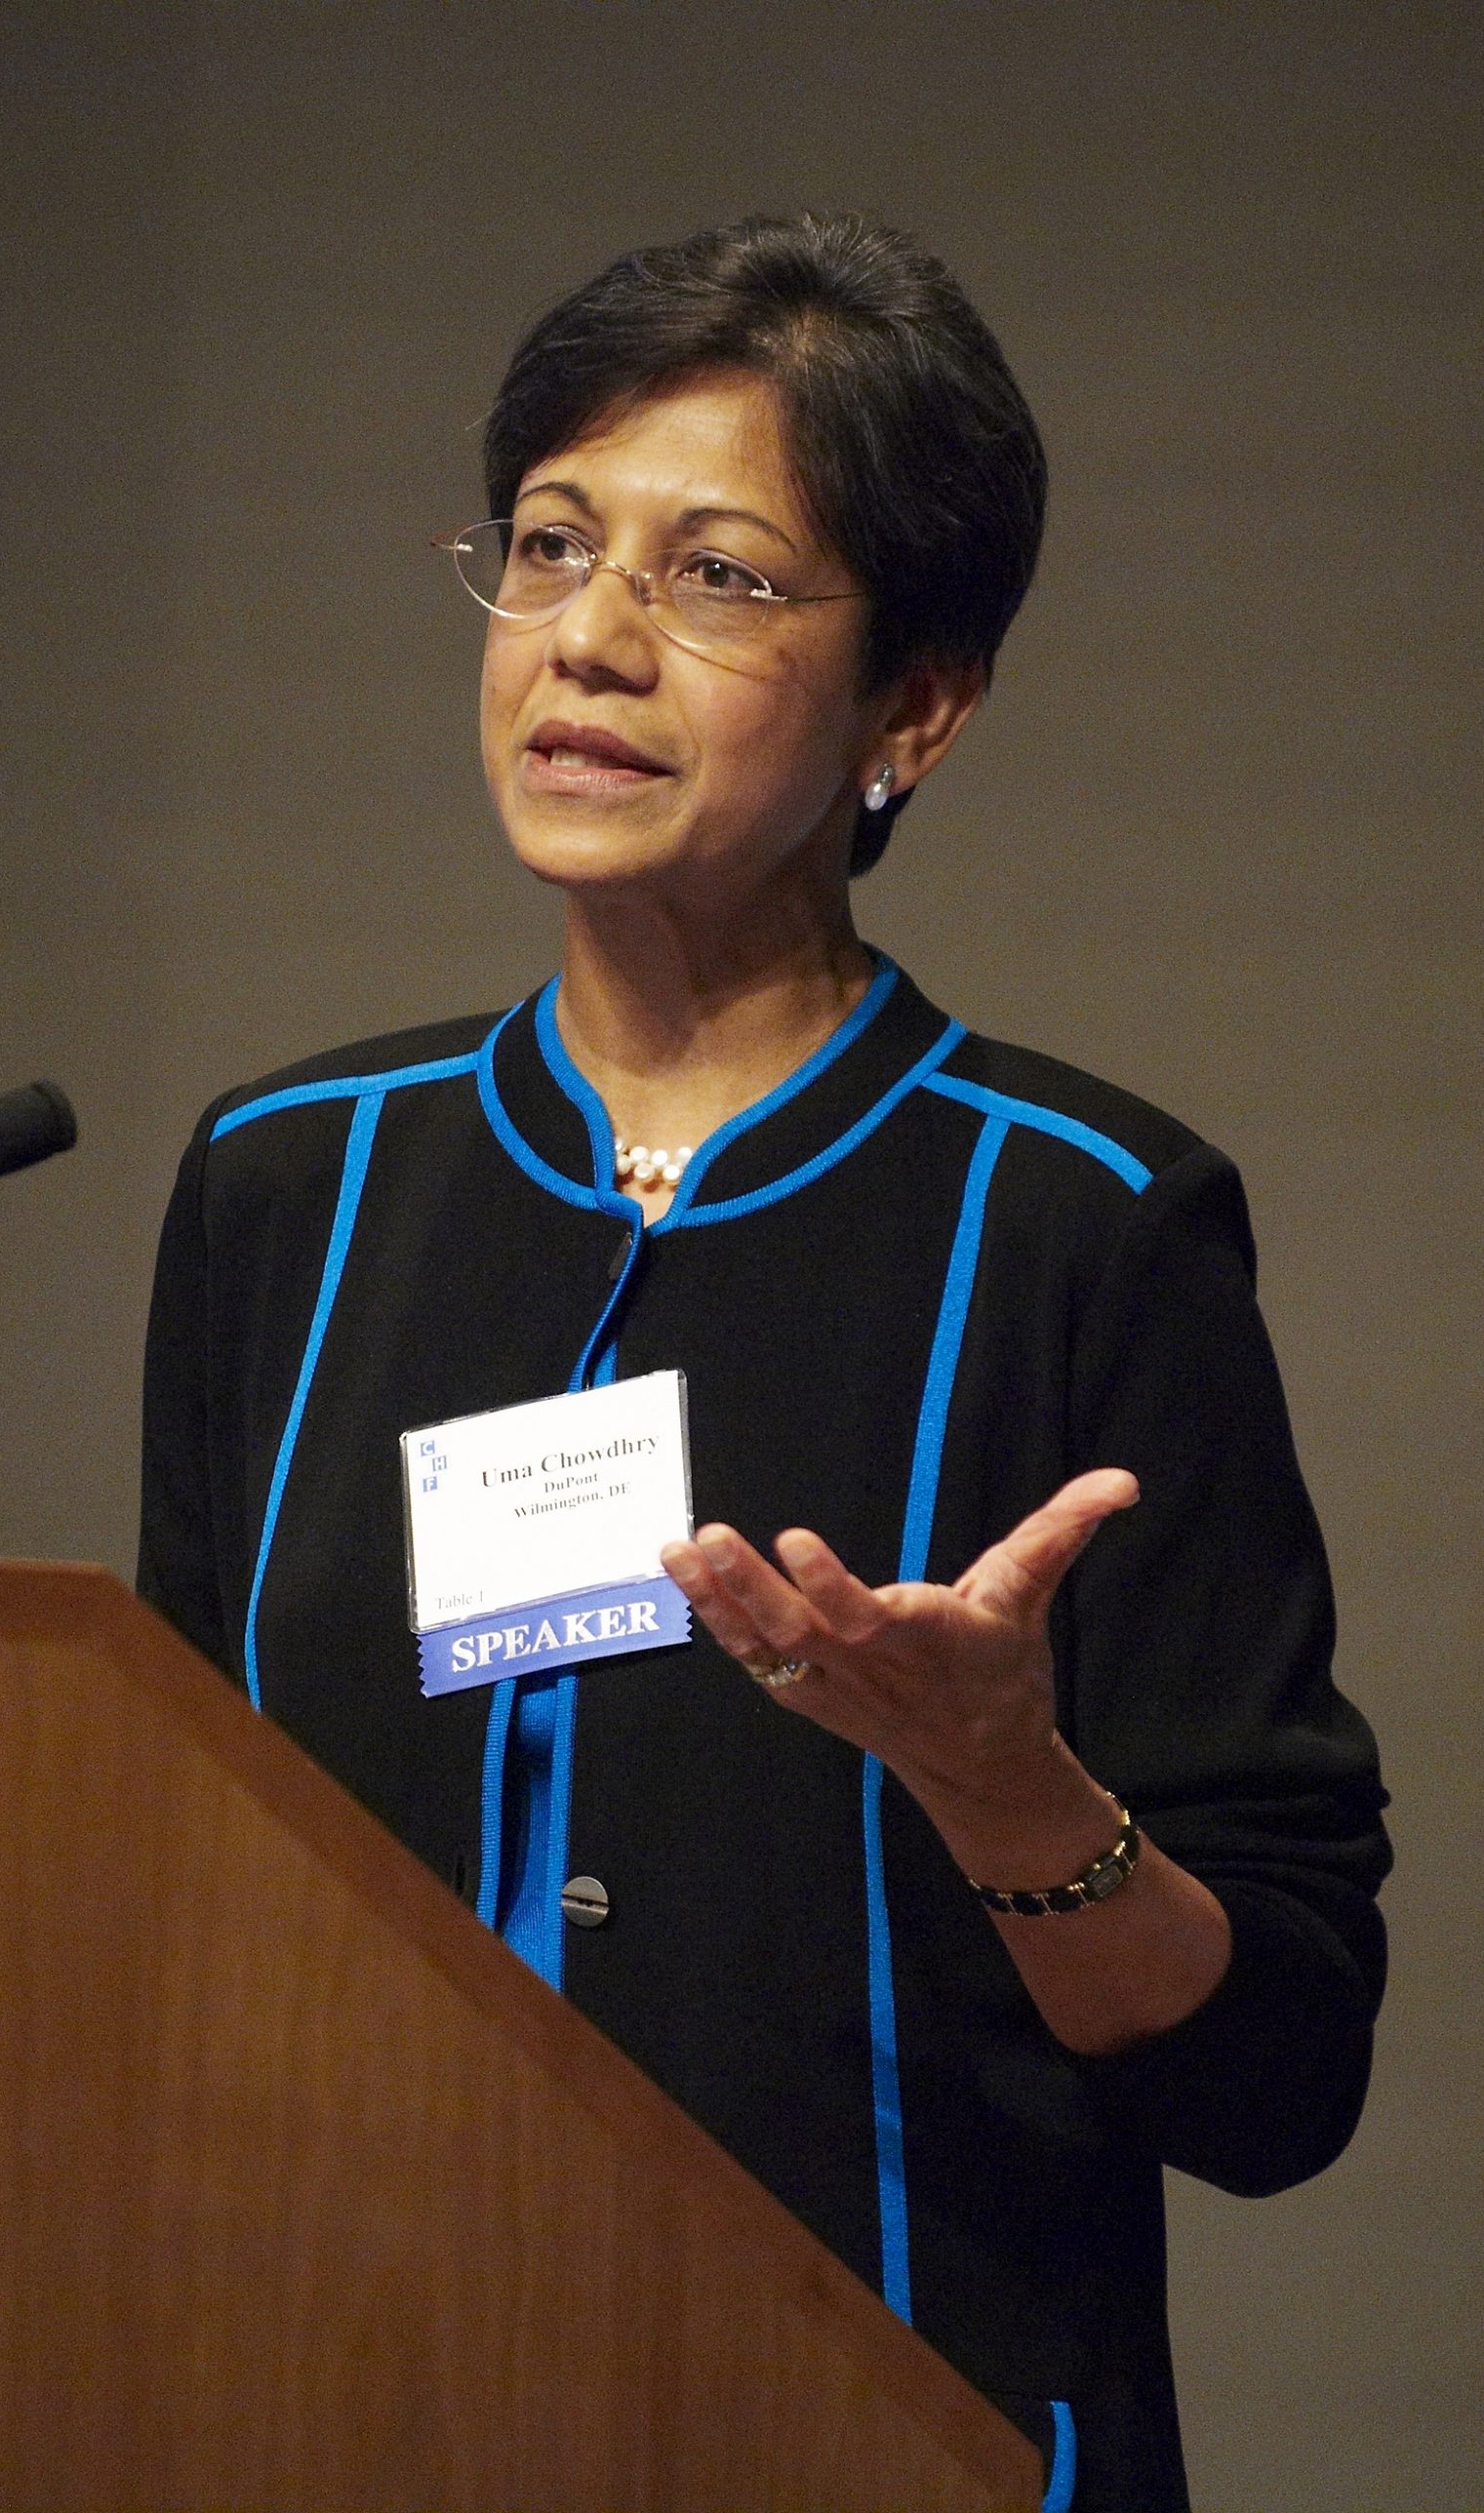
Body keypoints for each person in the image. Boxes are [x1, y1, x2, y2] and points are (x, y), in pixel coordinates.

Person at [138, 213, 1391, 2511]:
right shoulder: (282, 1188)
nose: (588, 640)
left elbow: (1279, 2076)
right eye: (544, 545)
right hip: (342, 2421)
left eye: (715, 577)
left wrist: (1005, 1787)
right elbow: (192, 1893)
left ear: (910, 706)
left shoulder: (1082, 1226)